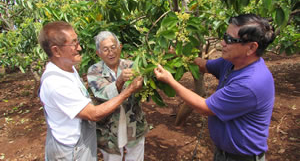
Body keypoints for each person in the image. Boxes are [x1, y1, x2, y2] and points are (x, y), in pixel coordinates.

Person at [154, 14, 275, 161]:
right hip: (223, 153)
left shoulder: (250, 83)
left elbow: (204, 108)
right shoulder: (231, 62)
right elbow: (203, 65)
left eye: (230, 39)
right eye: (224, 36)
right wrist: (178, 55)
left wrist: (170, 81)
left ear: (251, 47)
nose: (222, 43)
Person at [38, 21, 143, 161]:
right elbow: (94, 112)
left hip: (94, 138)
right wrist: (126, 88)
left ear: (120, 47)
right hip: (72, 149)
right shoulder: (57, 83)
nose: (79, 47)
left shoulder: (69, 69)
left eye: (113, 47)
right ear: (56, 51)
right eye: (74, 44)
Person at [87, 31, 148, 161]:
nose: (111, 52)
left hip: (134, 125)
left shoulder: (132, 65)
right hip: (109, 131)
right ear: (98, 53)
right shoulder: (94, 71)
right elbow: (101, 94)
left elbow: (144, 92)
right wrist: (120, 81)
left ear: (120, 47)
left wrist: (143, 84)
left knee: (136, 157)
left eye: (113, 47)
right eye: (105, 49)